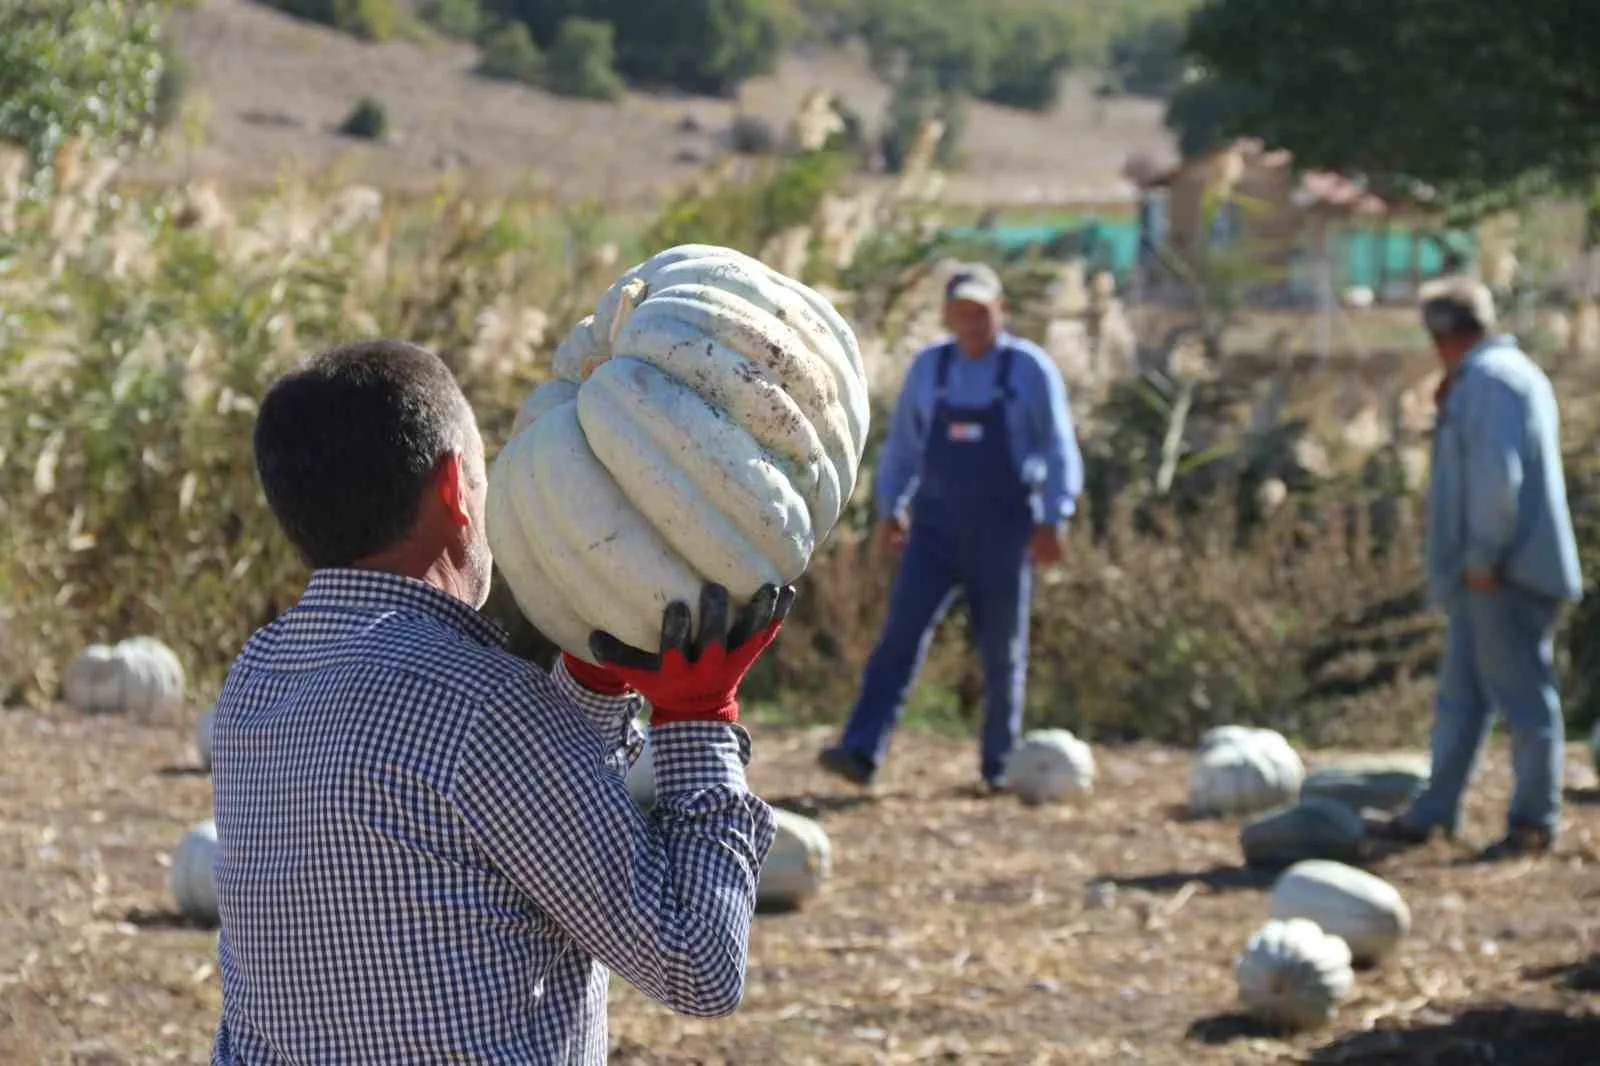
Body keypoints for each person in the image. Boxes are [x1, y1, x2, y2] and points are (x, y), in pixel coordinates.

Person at [212, 338, 793, 1064]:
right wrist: (700, 718)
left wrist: (595, 682)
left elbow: (491, 834)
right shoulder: (482, 709)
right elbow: (699, 965)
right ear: (456, 486)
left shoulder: (258, 679)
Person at [818, 263, 1084, 792]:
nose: (971, 321)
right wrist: (890, 505)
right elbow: (903, 449)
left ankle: (999, 766)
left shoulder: (1029, 370)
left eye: (981, 311)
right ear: (946, 315)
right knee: (899, 639)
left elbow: (1058, 447)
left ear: (1000, 311)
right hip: (934, 531)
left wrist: (1055, 518)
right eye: (961, 311)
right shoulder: (929, 370)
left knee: (1001, 652)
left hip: (1005, 531)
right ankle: (862, 750)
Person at [1371, 277, 1583, 860]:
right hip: (1485, 574)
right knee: (1461, 698)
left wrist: (1484, 558)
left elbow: (1497, 482)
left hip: (1504, 574)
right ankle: (1435, 811)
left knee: (1523, 699)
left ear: (1443, 335)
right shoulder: (1498, 376)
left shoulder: (1492, 382)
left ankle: (1533, 822)